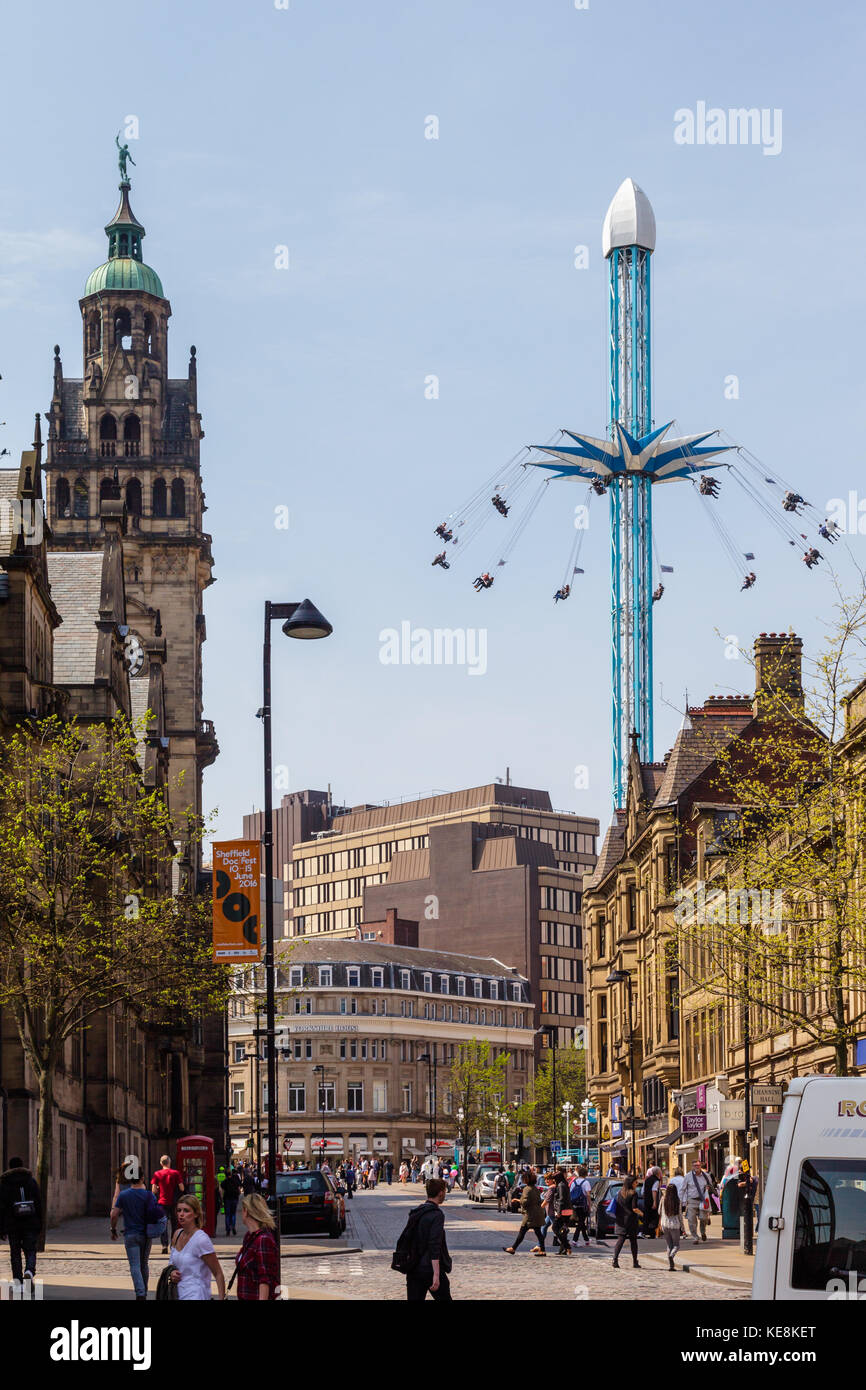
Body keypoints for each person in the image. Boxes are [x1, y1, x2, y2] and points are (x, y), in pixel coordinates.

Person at [111, 1171, 164, 1300]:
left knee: (134, 1265)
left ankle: (140, 1294)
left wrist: (113, 1229)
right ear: (142, 1178)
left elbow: (114, 1214)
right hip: (146, 1234)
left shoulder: (124, 1195)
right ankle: (144, 1290)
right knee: (144, 1264)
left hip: (130, 1234)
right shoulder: (149, 1195)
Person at [169, 1195, 226, 1301]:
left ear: (195, 1214)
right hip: (177, 1294)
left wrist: (221, 1297)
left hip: (196, 1294)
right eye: (179, 1210)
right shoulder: (177, 1234)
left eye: (186, 1211)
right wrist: (172, 1273)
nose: (181, 1214)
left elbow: (218, 1273)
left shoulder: (201, 1239)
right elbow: (171, 1264)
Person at [406, 1178, 452, 1301]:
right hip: (429, 1268)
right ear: (441, 1193)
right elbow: (434, 1245)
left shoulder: (416, 1212)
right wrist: (436, 1275)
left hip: (414, 1267)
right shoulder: (437, 1214)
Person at [0, 1157, 42, 1288]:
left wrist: (2, 1229)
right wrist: (39, 1223)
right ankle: (29, 1270)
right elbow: (39, 1204)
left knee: (15, 1253)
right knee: (30, 1250)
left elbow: (1, 1207)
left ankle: (18, 1282)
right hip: (30, 1222)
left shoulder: (5, 1183)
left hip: (13, 1224)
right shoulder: (31, 1181)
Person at [235, 1193, 280, 1301]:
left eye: (242, 1210)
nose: (241, 1213)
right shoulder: (249, 1237)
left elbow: (265, 1279)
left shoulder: (263, 1240)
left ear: (246, 1211)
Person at [503, 1172, 546, 1256]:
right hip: (538, 1213)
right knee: (538, 1233)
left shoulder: (527, 1189)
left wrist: (518, 1201)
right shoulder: (536, 1189)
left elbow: (525, 1201)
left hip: (530, 1215)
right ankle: (542, 1250)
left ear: (526, 1180)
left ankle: (513, 1248)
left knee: (522, 1232)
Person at [151, 1153, 184, 1254]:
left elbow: (153, 1191)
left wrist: (158, 1188)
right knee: (174, 1224)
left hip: (162, 1202)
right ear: (169, 1162)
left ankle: (164, 1245)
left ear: (161, 1163)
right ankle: (173, 1245)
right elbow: (182, 1188)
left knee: (163, 1225)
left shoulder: (157, 1174)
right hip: (174, 1202)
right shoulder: (176, 1173)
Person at [611, 1174, 641, 1270]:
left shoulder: (620, 1192)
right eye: (636, 1182)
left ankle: (615, 1259)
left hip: (620, 1219)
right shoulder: (633, 1194)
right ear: (631, 1183)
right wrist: (643, 1214)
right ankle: (635, 1261)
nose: (637, 1184)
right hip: (631, 1220)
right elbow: (635, 1208)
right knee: (633, 1241)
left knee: (621, 1239)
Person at [682, 1160, 714, 1243]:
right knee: (691, 1220)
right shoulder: (688, 1176)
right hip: (692, 1200)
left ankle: (703, 1232)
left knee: (703, 1218)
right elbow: (683, 1189)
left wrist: (708, 1188)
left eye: (698, 1165)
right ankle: (695, 1237)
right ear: (692, 1167)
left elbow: (711, 1186)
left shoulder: (706, 1176)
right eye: (695, 1165)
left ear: (700, 1166)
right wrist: (683, 1201)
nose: (696, 1167)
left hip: (703, 1200)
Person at [660, 1182, 682, 1270]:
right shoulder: (677, 1201)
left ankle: (671, 1265)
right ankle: (671, 1256)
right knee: (676, 1245)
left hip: (665, 1224)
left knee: (669, 1245)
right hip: (675, 1225)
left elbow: (659, 1212)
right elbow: (680, 1215)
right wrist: (683, 1227)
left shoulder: (663, 1199)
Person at [551, 1168, 573, 1256]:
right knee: (562, 1230)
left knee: (555, 1228)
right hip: (567, 1210)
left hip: (563, 1211)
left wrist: (559, 1212)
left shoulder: (561, 1185)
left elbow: (561, 1199)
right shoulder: (564, 1184)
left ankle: (567, 1246)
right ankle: (563, 1249)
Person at [570, 1165, 592, 1248]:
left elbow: (570, 1193)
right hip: (583, 1205)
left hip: (575, 1204)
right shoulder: (586, 1182)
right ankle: (574, 1240)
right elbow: (588, 1195)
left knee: (581, 1222)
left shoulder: (574, 1182)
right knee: (581, 1222)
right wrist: (589, 1205)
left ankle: (586, 1240)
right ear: (586, 1174)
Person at [221, 1165, 241, 1236]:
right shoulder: (235, 1181)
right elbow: (239, 1190)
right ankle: (233, 1226)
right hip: (234, 1198)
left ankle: (228, 1229)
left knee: (227, 1215)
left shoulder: (224, 1182)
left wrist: (221, 1199)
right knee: (233, 1214)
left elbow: (222, 1192)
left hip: (227, 1199)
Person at [642, 1165, 661, 1238]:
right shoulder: (656, 1180)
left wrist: (645, 1198)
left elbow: (642, 1191)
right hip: (652, 1201)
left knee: (647, 1216)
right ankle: (652, 1233)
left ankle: (645, 1232)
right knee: (654, 1217)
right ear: (658, 1173)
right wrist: (654, 1202)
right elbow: (654, 1190)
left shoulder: (646, 1180)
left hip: (646, 1201)